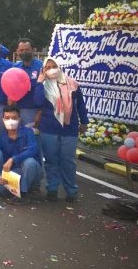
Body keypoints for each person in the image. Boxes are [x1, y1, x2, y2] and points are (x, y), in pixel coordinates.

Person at [34, 57, 88, 203]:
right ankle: (52, 188)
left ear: (59, 67)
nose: (51, 69)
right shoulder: (42, 85)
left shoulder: (72, 84)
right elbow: (37, 102)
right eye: (48, 67)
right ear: (43, 70)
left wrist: (84, 121)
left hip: (69, 128)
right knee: (51, 159)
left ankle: (71, 190)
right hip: (49, 128)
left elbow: (80, 105)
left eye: (54, 66)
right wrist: (39, 82)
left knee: (68, 160)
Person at [0, 106, 43, 204]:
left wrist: (13, 159)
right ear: (3, 119)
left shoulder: (28, 132)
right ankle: (18, 190)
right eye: (7, 118)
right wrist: (2, 176)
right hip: (15, 172)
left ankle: (23, 194)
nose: (10, 121)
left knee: (29, 162)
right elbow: (3, 161)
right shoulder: (2, 137)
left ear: (19, 119)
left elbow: (33, 150)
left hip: (32, 169)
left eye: (14, 118)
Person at [13, 38, 43, 128]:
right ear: (17, 51)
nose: (24, 52)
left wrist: (40, 112)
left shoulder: (42, 67)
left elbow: (47, 92)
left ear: (33, 50)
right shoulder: (14, 68)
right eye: (21, 50)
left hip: (34, 110)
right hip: (17, 110)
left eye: (27, 49)